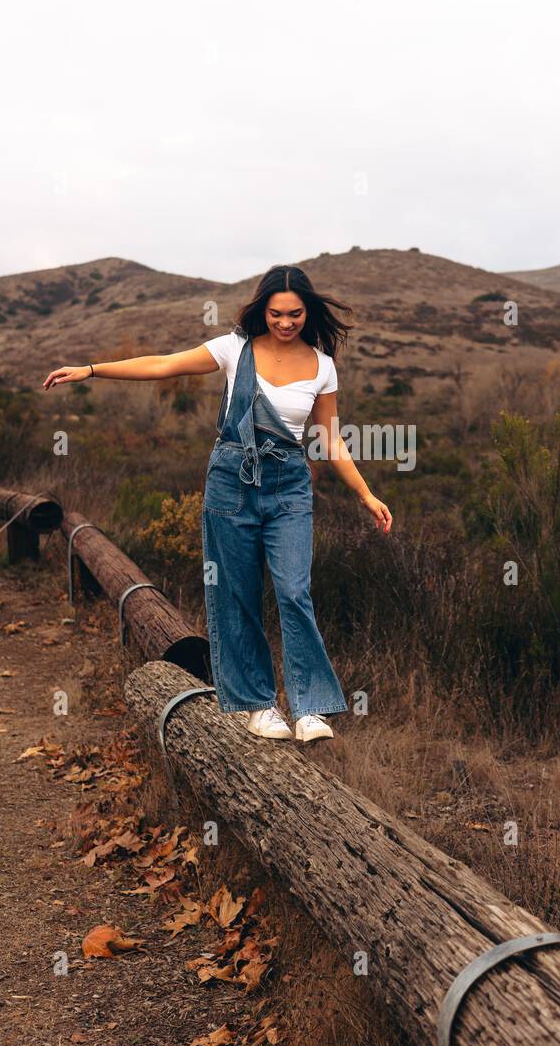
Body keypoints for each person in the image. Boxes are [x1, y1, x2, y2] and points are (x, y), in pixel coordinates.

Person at [43, 263, 392, 743]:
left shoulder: (323, 365)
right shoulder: (234, 349)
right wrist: (92, 369)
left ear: (307, 312)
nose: (285, 323)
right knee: (237, 593)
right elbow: (163, 363)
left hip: (289, 485)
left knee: (294, 592)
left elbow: (330, 440)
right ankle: (259, 704)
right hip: (232, 482)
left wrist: (366, 494)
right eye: (276, 313)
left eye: (294, 314)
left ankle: (310, 708)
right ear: (261, 310)